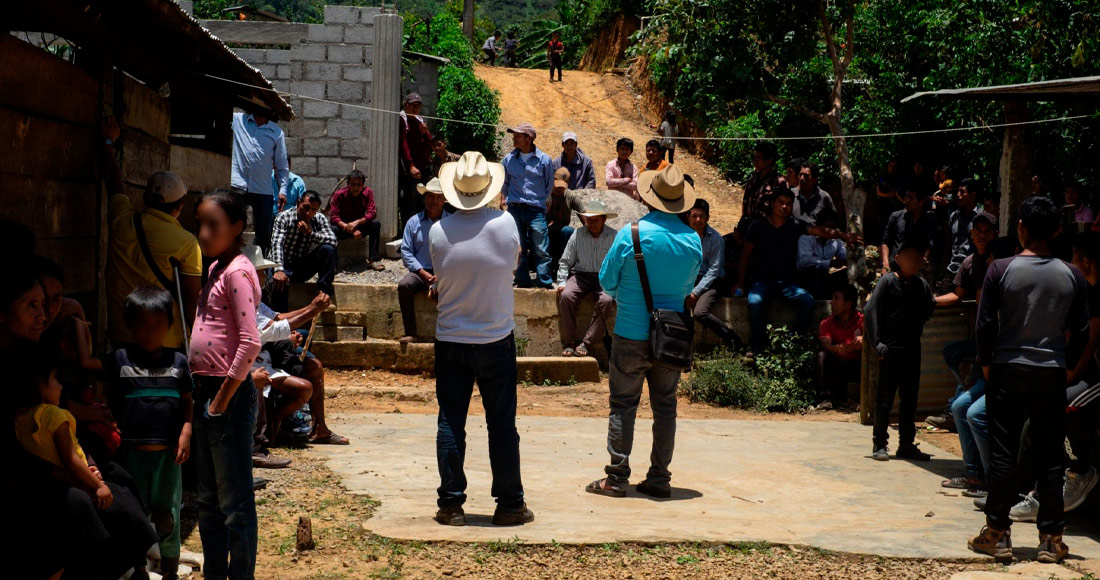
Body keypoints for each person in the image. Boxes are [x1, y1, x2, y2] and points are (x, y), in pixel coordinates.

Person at [968, 196, 1088, 564]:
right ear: (1055, 230)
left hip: (1007, 369)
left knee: (1003, 454)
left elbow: (985, 326)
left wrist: (987, 366)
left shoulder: (1000, 269)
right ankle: (1051, 540)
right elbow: (1081, 331)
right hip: (1051, 373)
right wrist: (1065, 368)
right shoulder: (1072, 274)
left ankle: (997, 534)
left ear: (1020, 226)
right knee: (1050, 456)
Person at [429, 151, 534, 527]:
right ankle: (509, 504)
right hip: (494, 338)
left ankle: (451, 504)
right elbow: (514, 265)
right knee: (502, 425)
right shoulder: (506, 224)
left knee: (450, 422)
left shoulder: (438, 231)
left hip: (451, 339)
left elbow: (442, 275)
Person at [586, 164, 702, 499]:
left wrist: (628, 296)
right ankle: (660, 478)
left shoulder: (630, 234)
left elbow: (607, 283)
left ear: (649, 199)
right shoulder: (693, 240)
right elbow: (688, 287)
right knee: (665, 407)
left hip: (631, 333)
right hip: (671, 337)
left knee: (623, 404)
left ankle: (617, 478)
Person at [75, 286, 192, 580]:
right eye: (141, 325)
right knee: (135, 515)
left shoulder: (179, 363)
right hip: (130, 457)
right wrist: (79, 323)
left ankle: (169, 572)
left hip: (168, 458)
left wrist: (186, 432)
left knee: (168, 517)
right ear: (130, 325)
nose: (149, 332)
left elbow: (188, 401)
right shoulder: (121, 359)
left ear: (169, 325)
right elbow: (87, 363)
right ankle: (139, 569)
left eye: (156, 325)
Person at [15, 349, 156, 580]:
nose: (61, 386)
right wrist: (96, 484)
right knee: (122, 504)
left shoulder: (20, 420)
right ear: (39, 385)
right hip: (77, 483)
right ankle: (137, 567)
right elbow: (70, 459)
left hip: (55, 483)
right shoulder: (54, 416)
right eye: (56, 380)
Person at [189, 191, 263, 579]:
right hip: (210, 393)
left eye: (212, 224)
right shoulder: (217, 267)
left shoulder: (235, 271)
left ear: (236, 228)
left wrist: (221, 400)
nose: (202, 233)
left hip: (226, 396)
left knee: (233, 502)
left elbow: (250, 342)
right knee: (209, 501)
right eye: (199, 223)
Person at [733, 185, 861, 356]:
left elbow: (820, 231)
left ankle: (792, 345)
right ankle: (758, 348)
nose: (784, 206)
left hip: (787, 284)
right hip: (761, 282)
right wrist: (740, 281)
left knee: (807, 301)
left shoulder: (795, 225)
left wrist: (844, 236)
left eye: (788, 203)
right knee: (755, 302)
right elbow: (745, 256)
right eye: (780, 202)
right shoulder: (758, 226)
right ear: (773, 204)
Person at [930, 214, 998, 487]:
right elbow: (957, 294)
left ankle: (993, 480)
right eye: (977, 230)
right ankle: (974, 474)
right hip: (983, 344)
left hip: (996, 352)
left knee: (969, 410)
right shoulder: (970, 263)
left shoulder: (1002, 264)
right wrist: (930, 301)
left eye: (987, 231)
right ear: (971, 234)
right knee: (953, 355)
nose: (982, 235)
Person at [106, 171, 201, 351]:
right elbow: (191, 300)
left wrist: (108, 146)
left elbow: (114, 184)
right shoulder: (187, 242)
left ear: (144, 197)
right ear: (180, 205)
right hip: (165, 339)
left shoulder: (120, 219)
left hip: (122, 333)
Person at [865, 238, 935, 462]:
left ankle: (906, 444)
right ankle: (879, 444)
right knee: (884, 399)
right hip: (890, 350)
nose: (914, 262)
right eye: (909, 257)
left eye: (918, 258)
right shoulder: (887, 282)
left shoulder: (921, 284)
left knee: (909, 399)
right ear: (897, 259)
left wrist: (917, 328)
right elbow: (870, 312)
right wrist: (876, 343)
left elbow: (929, 306)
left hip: (912, 350)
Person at [556, 199, 618, 357]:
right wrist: (562, 282)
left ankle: (587, 342)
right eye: (589, 220)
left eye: (596, 220)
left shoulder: (613, 236)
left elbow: (618, 264)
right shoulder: (578, 234)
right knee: (566, 296)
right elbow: (565, 261)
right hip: (580, 276)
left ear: (604, 219)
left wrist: (617, 286)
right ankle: (569, 342)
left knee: (606, 301)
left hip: (604, 277)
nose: (592, 224)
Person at [502, 123, 556, 289]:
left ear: (529, 138)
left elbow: (549, 184)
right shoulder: (508, 159)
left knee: (541, 247)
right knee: (518, 247)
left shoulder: (544, 160)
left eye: (518, 135)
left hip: (535, 209)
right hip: (515, 208)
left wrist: (543, 201)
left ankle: (544, 282)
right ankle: (522, 280)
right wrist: (504, 199)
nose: (514, 138)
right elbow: (505, 182)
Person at [398, 177, 451, 343]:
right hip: (421, 272)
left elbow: (457, 250)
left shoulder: (452, 222)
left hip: (446, 272)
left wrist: (442, 275)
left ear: (444, 200)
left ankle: (452, 335)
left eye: (437, 197)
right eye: (429, 196)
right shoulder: (413, 222)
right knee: (404, 285)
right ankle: (411, 333)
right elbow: (406, 251)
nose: (433, 200)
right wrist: (423, 274)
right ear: (424, 198)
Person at [269, 191, 339, 312]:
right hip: (282, 263)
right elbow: (277, 244)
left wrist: (311, 233)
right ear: (298, 203)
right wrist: (279, 270)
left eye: (313, 210)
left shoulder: (318, 219)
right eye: (305, 207)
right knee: (279, 283)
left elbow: (333, 241)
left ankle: (324, 294)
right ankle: (281, 321)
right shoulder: (284, 217)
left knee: (327, 250)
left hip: (300, 266)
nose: (308, 213)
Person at [231, 110, 289, 254]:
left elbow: (282, 167)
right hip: (238, 185)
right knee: (233, 228)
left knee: (263, 235)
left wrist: (282, 190)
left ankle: (260, 271)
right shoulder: (238, 120)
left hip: (263, 189)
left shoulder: (276, 132)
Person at [686, 199, 739, 344]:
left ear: (708, 218)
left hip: (713, 282)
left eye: (701, 216)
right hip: (691, 279)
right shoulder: (684, 237)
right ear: (688, 217)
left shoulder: (715, 239)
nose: (697, 220)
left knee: (699, 312)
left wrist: (695, 292)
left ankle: (733, 339)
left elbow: (714, 270)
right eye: (694, 216)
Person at [817, 284, 863, 408]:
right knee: (822, 355)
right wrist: (836, 348)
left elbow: (876, 339)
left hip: (856, 369)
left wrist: (864, 341)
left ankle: (861, 399)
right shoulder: (827, 322)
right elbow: (825, 342)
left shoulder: (862, 321)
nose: (831, 302)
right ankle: (825, 399)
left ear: (848, 304)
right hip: (838, 370)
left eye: (836, 299)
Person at [329, 169, 384, 271]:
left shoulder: (367, 193)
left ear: (363, 185)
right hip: (344, 227)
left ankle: (374, 259)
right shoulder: (339, 195)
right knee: (332, 229)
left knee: (376, 224)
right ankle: (333, 264)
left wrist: (357, 222)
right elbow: (334, 217)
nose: (355, 188)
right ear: (348, 184)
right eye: (352, 184)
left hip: (360, 226)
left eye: (358, 185)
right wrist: (349, 228)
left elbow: (372, 213)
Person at [881, 187, 940, 274]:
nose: (906, 200)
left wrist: (925, 259)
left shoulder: (929, 221)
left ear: (921, 202)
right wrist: (885, 265)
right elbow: (885, 241)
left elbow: (930, 245)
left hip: (917, 270)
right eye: (906, 196)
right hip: (895, 268)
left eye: (911, 198)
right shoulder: (896, 216)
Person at [796, 209, 848, 299]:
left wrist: (847, 260)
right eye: (827, 228)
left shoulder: (836, 240)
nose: (829, 232)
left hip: (825, 278)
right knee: (817, 271)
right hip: (805, 278)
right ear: (819, 226)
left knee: (845, 274)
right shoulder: (806, 238)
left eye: (833, 229)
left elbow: (845, 256)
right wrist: (830, 263)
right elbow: (804, 261)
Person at [400, 93, 433, 225]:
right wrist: (411, 165)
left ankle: (422, 227)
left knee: (422, 199)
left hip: (424, 168)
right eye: (413, 105)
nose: (416, 109)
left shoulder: (419, 120)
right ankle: (408, 230)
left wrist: (426, 132)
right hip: (412, 170)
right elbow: (403, 144)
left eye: (418, 106)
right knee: (410, 201)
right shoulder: (403, 119)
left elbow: (429, 144)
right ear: (406, 105)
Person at [547, 167, 587, 270]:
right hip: (545, 232)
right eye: (557, 185)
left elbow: (585, 220)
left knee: (569, 231)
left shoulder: (571, 197)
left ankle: (564, 262)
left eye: (562, 186)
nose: (559, 188)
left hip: (561, 234)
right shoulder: (545, 194)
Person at [943, 178, 981, 287]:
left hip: (972, 270)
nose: (958, 195)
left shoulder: (981, 216)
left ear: (972, 195)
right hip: (953, 269)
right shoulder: (954, 216)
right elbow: (949, 243)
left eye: (962, 192)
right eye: (958, 191)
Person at [741, 141, 781, 222]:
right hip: (748, 226)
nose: (755, 161)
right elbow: (746, 205)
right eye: (755, 157)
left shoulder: (777, 183)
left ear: (769, 161)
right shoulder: (753, 179)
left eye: (759, 158)